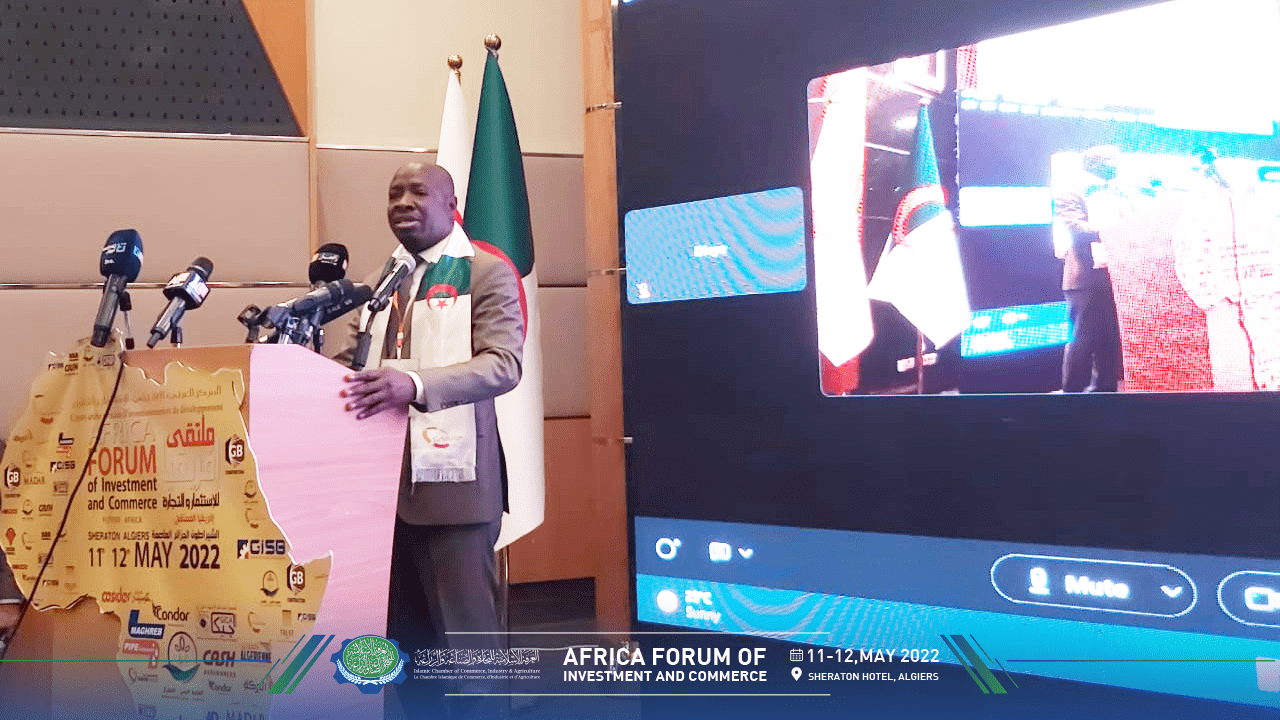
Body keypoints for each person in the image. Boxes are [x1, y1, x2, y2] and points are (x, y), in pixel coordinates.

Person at [335, 162, 523, 718]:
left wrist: (414, 385)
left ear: (451, 204)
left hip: (453, 494)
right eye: (394, 193)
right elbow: (352, 366)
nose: (403, 202)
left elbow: (503, 364)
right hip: (381, 500)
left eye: (418, 192)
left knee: (468, 664)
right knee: (404, 659)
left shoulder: (485, 272)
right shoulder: (382, 281)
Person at [1054, 146, 1126, 392]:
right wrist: (1114, 232)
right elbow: (1076, 229)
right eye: (1113, 162)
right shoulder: (1070, 194)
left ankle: (1106, 392)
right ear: (1097, 165)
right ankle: (1072, 394)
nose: (1117, 166)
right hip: (1085, 278)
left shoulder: (1119, 194)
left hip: (1114, 276)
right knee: (1081, 340)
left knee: (1110, 341)